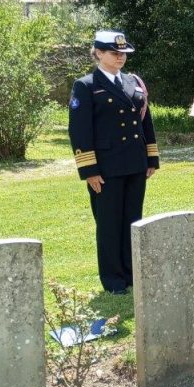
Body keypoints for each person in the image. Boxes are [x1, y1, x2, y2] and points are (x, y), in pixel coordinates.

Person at [68, 30, 160, 295]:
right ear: (98, 53)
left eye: (123, 53)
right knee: (109, 223)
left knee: (133, 220)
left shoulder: (133, 82)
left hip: (135, 163)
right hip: (106, 167)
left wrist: (151, 157)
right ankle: (113, 279)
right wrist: (89, 170)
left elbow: (145, 122)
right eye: (114, 53)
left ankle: (132, 273)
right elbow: (80, 131)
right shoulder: (86, 85)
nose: (120, 57)